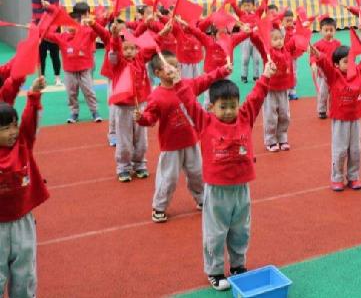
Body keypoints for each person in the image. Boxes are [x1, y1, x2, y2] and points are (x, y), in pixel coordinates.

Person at [176, 60, 277, 291]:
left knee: (241, 230)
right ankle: (215, 270)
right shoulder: (204, 122)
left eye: (233, 106)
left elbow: (257, 97)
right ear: (212, 107)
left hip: (241, 188)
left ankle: (238, 265)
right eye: (223, 107)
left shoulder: (245, 117)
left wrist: (266, 75)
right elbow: (189, 102)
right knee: (216, 232)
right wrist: (177, 82)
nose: (229, 111)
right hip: (217, 190)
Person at [135, 52, 232, 223]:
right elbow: (150, 118)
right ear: (158, 72)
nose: (175, 69)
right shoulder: (156, 96)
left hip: (191, 141)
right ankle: (159, 206)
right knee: (168, 178)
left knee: (197, 173)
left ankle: (202, 199)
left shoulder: (187, 85)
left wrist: (223, 70)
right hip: (171, 146)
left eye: (177, 66)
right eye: (170, 67)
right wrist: (141, 118)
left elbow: (205, 79)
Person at [312, 42, 361, 190]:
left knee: (355, 150)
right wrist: (317, 55)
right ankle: (337, 177)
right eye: (346, 62)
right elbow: (325, 64)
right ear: (336, 65)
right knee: (340, 150)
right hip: (340, 120)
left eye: (352, 60)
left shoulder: (359, 71)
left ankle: (353, 176)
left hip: (355, 119)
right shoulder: (333, 75)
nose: (350, 64)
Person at [4, 0, 83, 86]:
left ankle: (57, 77)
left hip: (53, 27)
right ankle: (42, 78)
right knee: (41, 55)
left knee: (54, 53)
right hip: (39, 28)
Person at [0, 76, 47, 298]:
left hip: (22, 222)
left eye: (14, 125)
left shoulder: (22, 144)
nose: (12, 132)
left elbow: (29, 122)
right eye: (5, 128)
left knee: (25, 274)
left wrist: (34, 95)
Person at [93, 21, 156, 182]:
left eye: (132, 48)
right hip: (123, 108)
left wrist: (161, 33)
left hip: (140, 106)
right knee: (125, 140)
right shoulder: (117, 62)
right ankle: (123, 167)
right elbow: (113, 50)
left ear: (137, 49)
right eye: (125, 48)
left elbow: (153, 46)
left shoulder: (140, 59)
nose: (128, 51)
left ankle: (140, 164)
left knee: (141, 140)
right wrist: (114, 37)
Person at [44, 7, 102, 124]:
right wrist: (37, 28)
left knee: (89, 91)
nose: (70, 26)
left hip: (84, 70)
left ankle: (95, 111)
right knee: (71, 93)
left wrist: (95, 22)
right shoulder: (62, 37)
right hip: (69, 71)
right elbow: (46, 35)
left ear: (79, 23)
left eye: (74, 24)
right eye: (68, 24)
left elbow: (99, 30)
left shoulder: (87, 32)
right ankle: (74, 112)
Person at [309, 17, 341, 120]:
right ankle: (322, 110)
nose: (329, 33)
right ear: (320, 31)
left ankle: (333, 109)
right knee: (323, 93)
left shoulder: (337, 43)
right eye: (326, 30)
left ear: (335, 30)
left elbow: (340, 56)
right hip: (322, 74)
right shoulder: (318, 44)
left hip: (334, 73)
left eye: (331, 30)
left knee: (334, 92)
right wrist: (313, 63)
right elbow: (312, 56)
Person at [233, 0, 267, 84]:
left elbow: (263, 6)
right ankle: (244, 76)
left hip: (256, 39)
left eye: (249, 5)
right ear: (242, 6)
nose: (247, 7)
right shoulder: (241, 14)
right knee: (245, 59)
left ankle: (256, 76)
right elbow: (234, 6)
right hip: (245, 40)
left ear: (253, 6)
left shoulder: (257, 14)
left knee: (256, 59)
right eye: (244, 6)